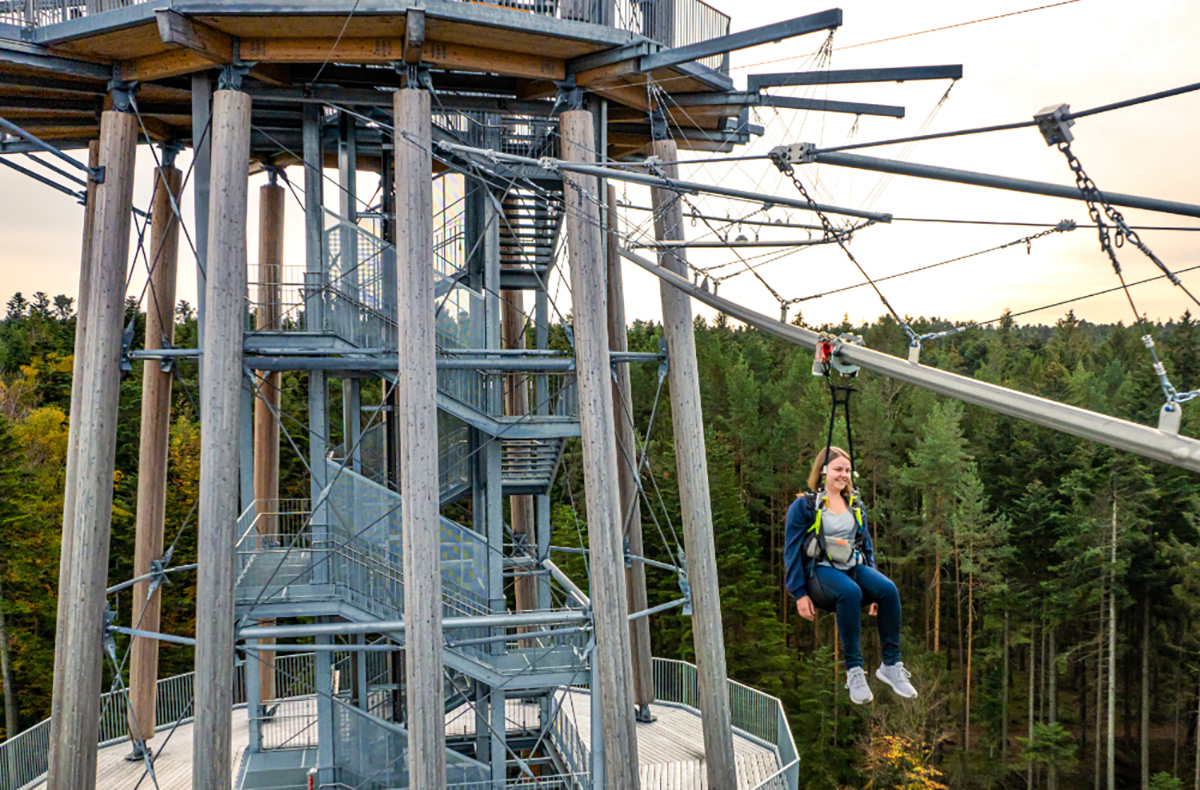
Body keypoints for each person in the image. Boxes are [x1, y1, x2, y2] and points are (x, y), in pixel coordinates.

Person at [783, 446, 918, 704]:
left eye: (847, 470)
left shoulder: (854, 504)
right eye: (838, 470)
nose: (844, 475)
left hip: (852, 566)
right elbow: (791, 551)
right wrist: (799, 593)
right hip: (820, 573)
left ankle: (890, 665)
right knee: (850, 592)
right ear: (823, 472)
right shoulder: (805, 506)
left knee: (888, 590)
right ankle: (854, 671)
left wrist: (875, 586)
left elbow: (865, 543)